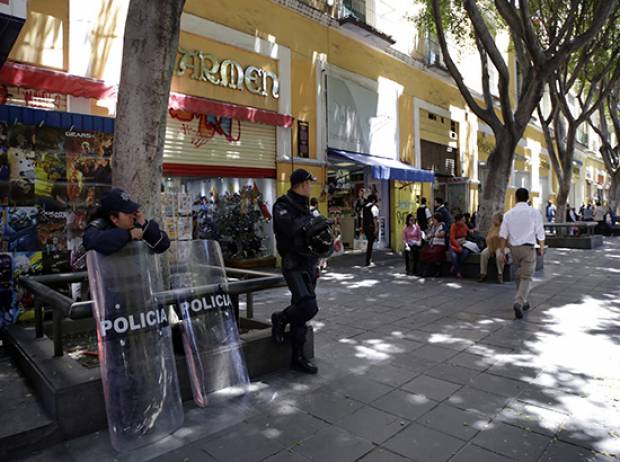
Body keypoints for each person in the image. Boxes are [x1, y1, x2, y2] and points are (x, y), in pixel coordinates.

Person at [271, 168, 329, 374]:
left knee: (301, 312)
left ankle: (298, 357)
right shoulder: (282, 206)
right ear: (302, 185)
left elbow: (318, 233)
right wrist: (311, 225)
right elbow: (293, 230)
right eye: (309, 183)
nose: (311, 187)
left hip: (309, 264)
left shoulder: (308, 208)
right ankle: (281, 317)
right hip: (293, 264)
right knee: (308, 307)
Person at [499, 188, 545, 319]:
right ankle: (519, 302)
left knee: (519, 274)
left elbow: (502, 235)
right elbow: (540, 232)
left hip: (514, 249)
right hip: (528, 249)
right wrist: (541, 248)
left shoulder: (508, 214)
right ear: (528, 198)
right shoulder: (534, 213)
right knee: (526, 277)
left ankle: (524, 301)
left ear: (516, 198)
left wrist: (502, 252)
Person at [82, 188, 170, 255]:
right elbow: (91, 241)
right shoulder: (100, 226)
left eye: (133, 210)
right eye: (128, 212)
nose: (133, 215)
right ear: (114, 218)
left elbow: (163, 244)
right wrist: (128, 235)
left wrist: (145, 225)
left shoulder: (135, 225)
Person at [479, 213, 509, 284]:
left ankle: (500, 274)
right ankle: (483, 273)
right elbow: (488, 237)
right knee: (484, 254)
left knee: (499, 255)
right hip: (491, 246)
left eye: (495, 219)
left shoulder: (504, 227)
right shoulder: (492, 227)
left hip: (503, 247)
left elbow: (504, 239)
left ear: (499, 220)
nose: (493, 220)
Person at [420, 213, 448, 277]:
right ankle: (424, 271)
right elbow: (429, 233)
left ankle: (434, 271)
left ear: (437, 220)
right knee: (424, 252)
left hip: (440, 244)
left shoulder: (443, 225)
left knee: (433, 253)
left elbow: (442, 234)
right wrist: (428, 234)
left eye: (434, 219)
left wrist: (433, 235)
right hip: (432, 243)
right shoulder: (433, 226)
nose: (433, 221)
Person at [449, 214, 471, 279]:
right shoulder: (453, 226)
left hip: (463, 244)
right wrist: (458, 246)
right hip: (454, 244)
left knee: (465, 253)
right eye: (462, 220)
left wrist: (472, 231)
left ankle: (455, 265)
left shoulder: (464, 225)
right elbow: (452, 238)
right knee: (454, 256)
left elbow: (468, 231)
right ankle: (458, 272)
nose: (464, 221)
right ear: (458, 221)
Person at [363, 194, 380, 267]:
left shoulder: (364, 207)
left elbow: (362, 217)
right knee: (370, 244)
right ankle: (368, 260)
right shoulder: (373, 207)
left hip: (366, 227)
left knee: (369, 243)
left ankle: (369, 259)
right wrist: (376, 229)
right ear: (373, 200)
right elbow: (375, 219)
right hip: (371, 227)